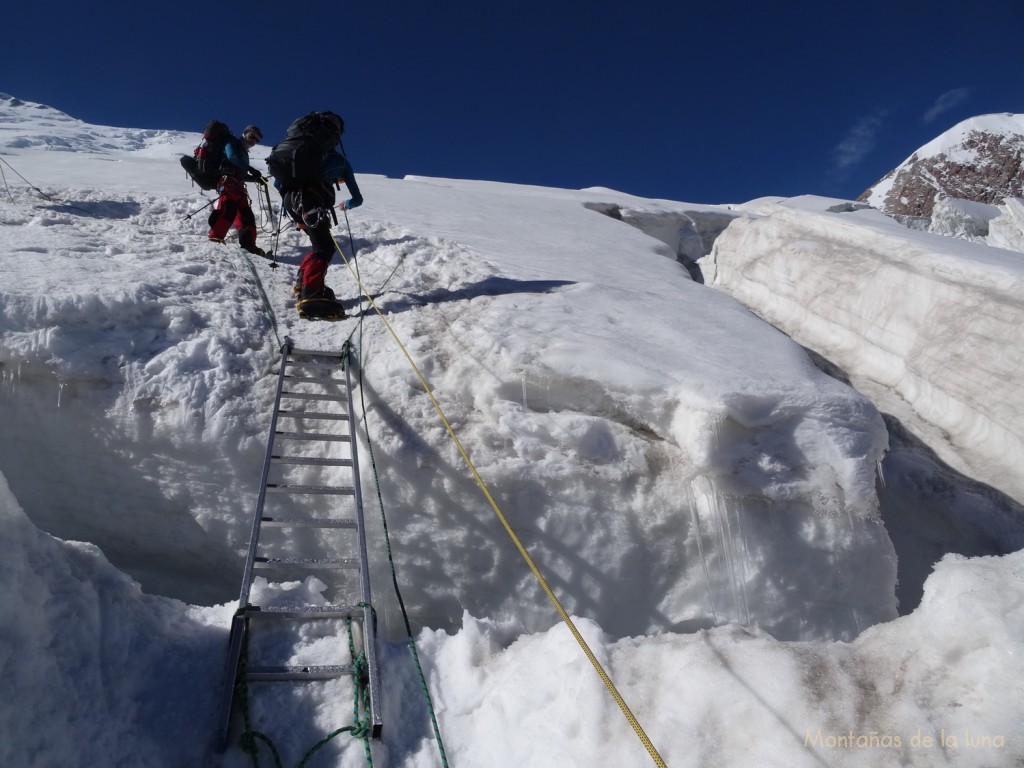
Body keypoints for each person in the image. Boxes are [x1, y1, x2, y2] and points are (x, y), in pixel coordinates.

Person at [271, 112, 363, 318]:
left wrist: (290, 204)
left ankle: (303, 284)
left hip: (293, 201)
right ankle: (311, 296)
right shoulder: (340, 162)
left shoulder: (302, 155)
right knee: (325, 248)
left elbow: (278, 182)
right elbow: (358, 199)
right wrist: (346, 203)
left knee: (318, 245)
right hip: (311, 203)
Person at [208, 125, 267, 256]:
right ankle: (215, 238)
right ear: (244, 133)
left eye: (256, 140)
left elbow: (241, 173)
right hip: (227, 182)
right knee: (228, 209)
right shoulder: (232, 141)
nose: (253, 141)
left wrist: (255, 179)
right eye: (252, 137)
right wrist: (251, 170)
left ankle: (248, 245)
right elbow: (232, 157)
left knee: (246, 215)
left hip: (238, 186)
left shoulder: (244, 152)